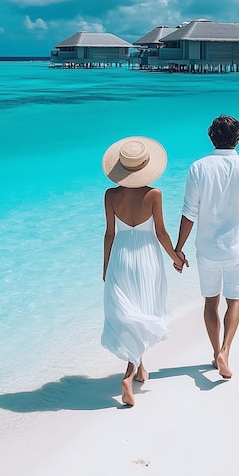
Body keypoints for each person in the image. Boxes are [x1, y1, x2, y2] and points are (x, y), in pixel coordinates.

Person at [174, 115, 239, 379]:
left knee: (211, 302)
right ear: (238, 137)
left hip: (207, 249)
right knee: (234, 300)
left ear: (211, 137)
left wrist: (178, 248)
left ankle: (216, 352)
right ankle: (225, 350)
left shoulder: (198, 167)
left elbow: (189, 212)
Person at [101, 136, 185, 407]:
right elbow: (160, 232)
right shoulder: (154, 194)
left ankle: (139, 367)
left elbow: (109, 234)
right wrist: (176, 258)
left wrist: (106, 268)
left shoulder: (110, 195)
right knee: (144, 310)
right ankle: (128, 377)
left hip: (121, 258)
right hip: (147, 258)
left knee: (132, 314)